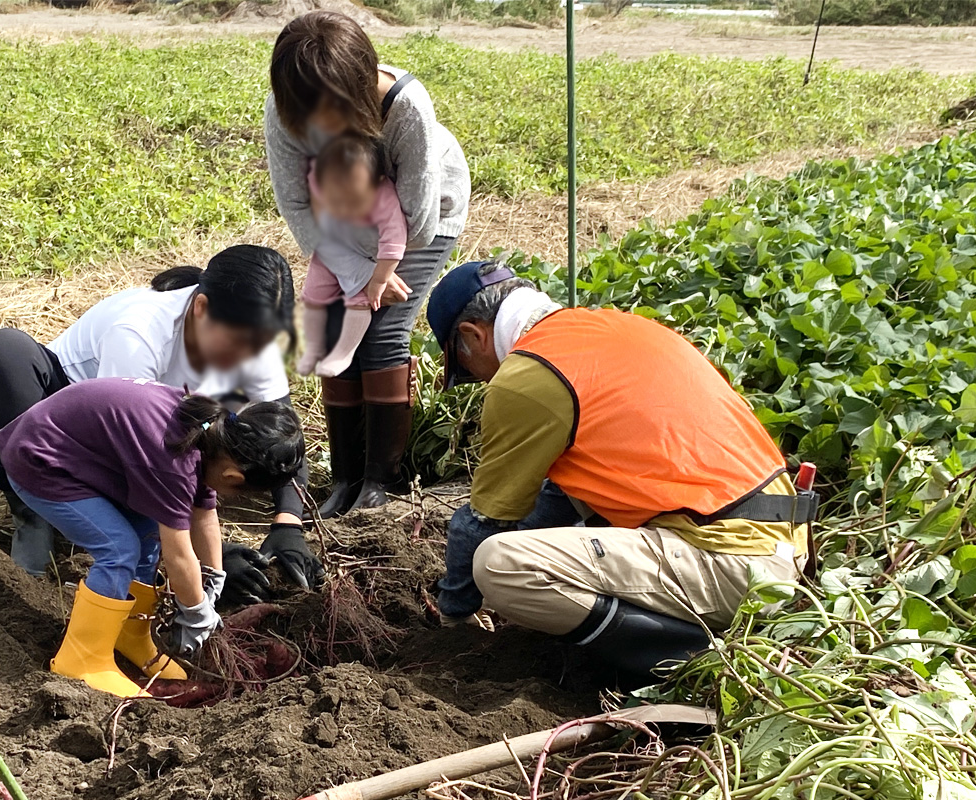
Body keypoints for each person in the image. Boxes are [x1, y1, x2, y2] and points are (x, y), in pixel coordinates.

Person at [425, 262, 816, 690]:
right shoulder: (615, 329)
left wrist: (455, 616)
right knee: (571, 512)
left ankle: (685, 659)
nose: (478, 379)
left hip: (732, 561)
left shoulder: (526, 376)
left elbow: (483, 523)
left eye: (464, 368)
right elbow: (558, 499)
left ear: (472, 336)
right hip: (784, 541)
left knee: (500, 566)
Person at [0, 245, 323, 604]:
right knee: (4, 353)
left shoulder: (251, 340)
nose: (251, 359)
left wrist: (289, 521)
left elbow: (283, 435)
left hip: (156, 442)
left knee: (145, 532)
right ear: (201, 310)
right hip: (67, 433)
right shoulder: (139, 333)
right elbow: (142, 465)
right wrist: (203, 557)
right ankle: (33, 513)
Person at [266, 11, 470, 516]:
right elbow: (295, 204)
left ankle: (382, 481)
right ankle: (345, 477)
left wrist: (377, 273)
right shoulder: (285, 105)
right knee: (341, 328)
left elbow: (417, 221)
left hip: (421, 217)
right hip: (338, 221)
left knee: (381, 332)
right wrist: (356, 274)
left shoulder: (406, 107)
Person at [0, 377, 305, 698]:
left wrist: (213, 580)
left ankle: (128, 633)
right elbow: (179, 556)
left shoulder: (211, 431)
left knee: (146, 531)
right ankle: (83, 659)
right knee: (119, 549)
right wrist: (196, 610)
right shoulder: (174, 459)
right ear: (233, 476)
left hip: (81, 456)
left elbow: (204, 514)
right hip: (42, 459)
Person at [297, 133, 407, 379]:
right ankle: (313, 348)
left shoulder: (385, 199)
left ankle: (344, 352)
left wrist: (378, 279)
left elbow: (394, 242)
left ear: (378, 180)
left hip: (367, 255)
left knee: (360, 298)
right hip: (331, 248)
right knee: (312, 296)